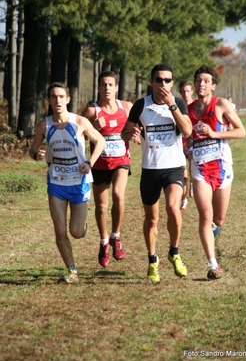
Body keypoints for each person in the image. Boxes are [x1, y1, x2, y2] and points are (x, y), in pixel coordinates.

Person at [121, 63, 192, 282]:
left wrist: (173, 107)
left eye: (168, 80)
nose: (163, 84)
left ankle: (174, 252)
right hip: (150, 168)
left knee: (173, 207)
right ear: (151, 81)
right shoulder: (141, 105)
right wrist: (131, 132)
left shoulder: (178, 102)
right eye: (159, 80)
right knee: (151, 220)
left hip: (173, 167)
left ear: (172, 82)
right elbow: (124, 133)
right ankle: (153, 260)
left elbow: (187, 130)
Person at [29, 82, 106, 283]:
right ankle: (72, 270)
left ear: (68, 99)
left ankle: (83, 226)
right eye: (54, 97)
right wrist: (37, 155)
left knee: (76, 232)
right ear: (49, 101)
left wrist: (90, 162)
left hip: (79, 182)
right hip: (56, 182)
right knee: (60, 230)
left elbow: (100, 141)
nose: (58, 101)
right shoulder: (44, 125)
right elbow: (32, 150)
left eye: (61, 96)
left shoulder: (79, 122)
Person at [188, 65, 246, 280]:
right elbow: (186, 137)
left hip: (222, 168)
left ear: (212, 85)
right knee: (205, 215)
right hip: (200, 170)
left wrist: (213, 133)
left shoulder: (221, 105)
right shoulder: (189, 109)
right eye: (198, 80)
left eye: (205, 81)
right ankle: (213, 265)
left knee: (218, 218)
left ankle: (215, 228)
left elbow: (241, 131)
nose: (201, 84)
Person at [82, 71, 132, 267]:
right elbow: (80, 134)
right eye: (103, 85)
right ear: (98, 88)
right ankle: (104, 242)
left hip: (121, 161)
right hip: (100, 164)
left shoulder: (125, 107)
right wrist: (93, 126)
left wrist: (135, 132)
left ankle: (116, 236)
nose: (107, 88)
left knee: (119, 195)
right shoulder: (91, 111)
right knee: (102, 207)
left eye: (111, 84)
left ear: (117, 87)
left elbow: (133, 128)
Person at [179, 80, 194, 209]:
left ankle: (193, 184)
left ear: (192, 92)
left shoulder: (195, 107)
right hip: (180, 145)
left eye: (188, 91)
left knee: (192, 170)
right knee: (183, 175)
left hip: (194, 145)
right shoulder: (177, 107)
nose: (186, 94)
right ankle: (184, 199)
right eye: (183, 91)